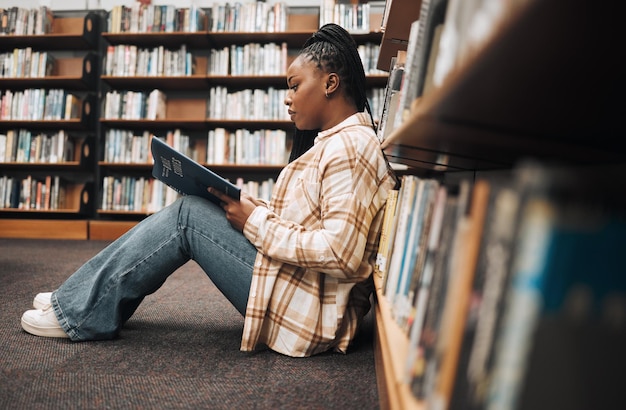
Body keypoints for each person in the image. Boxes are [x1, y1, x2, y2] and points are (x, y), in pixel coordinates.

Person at [20, 23, 397, 358]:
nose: (287, 98)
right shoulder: (337, 142)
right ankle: (82, 295)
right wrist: (254, 207)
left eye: (295, 86)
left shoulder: (351, 148)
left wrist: (257, 221)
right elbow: (314, 223)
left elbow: (339, 252)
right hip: (294, 286)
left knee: (188, 216)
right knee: (200, 203)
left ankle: (80, 309)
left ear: (330, 83)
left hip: (305, 312)